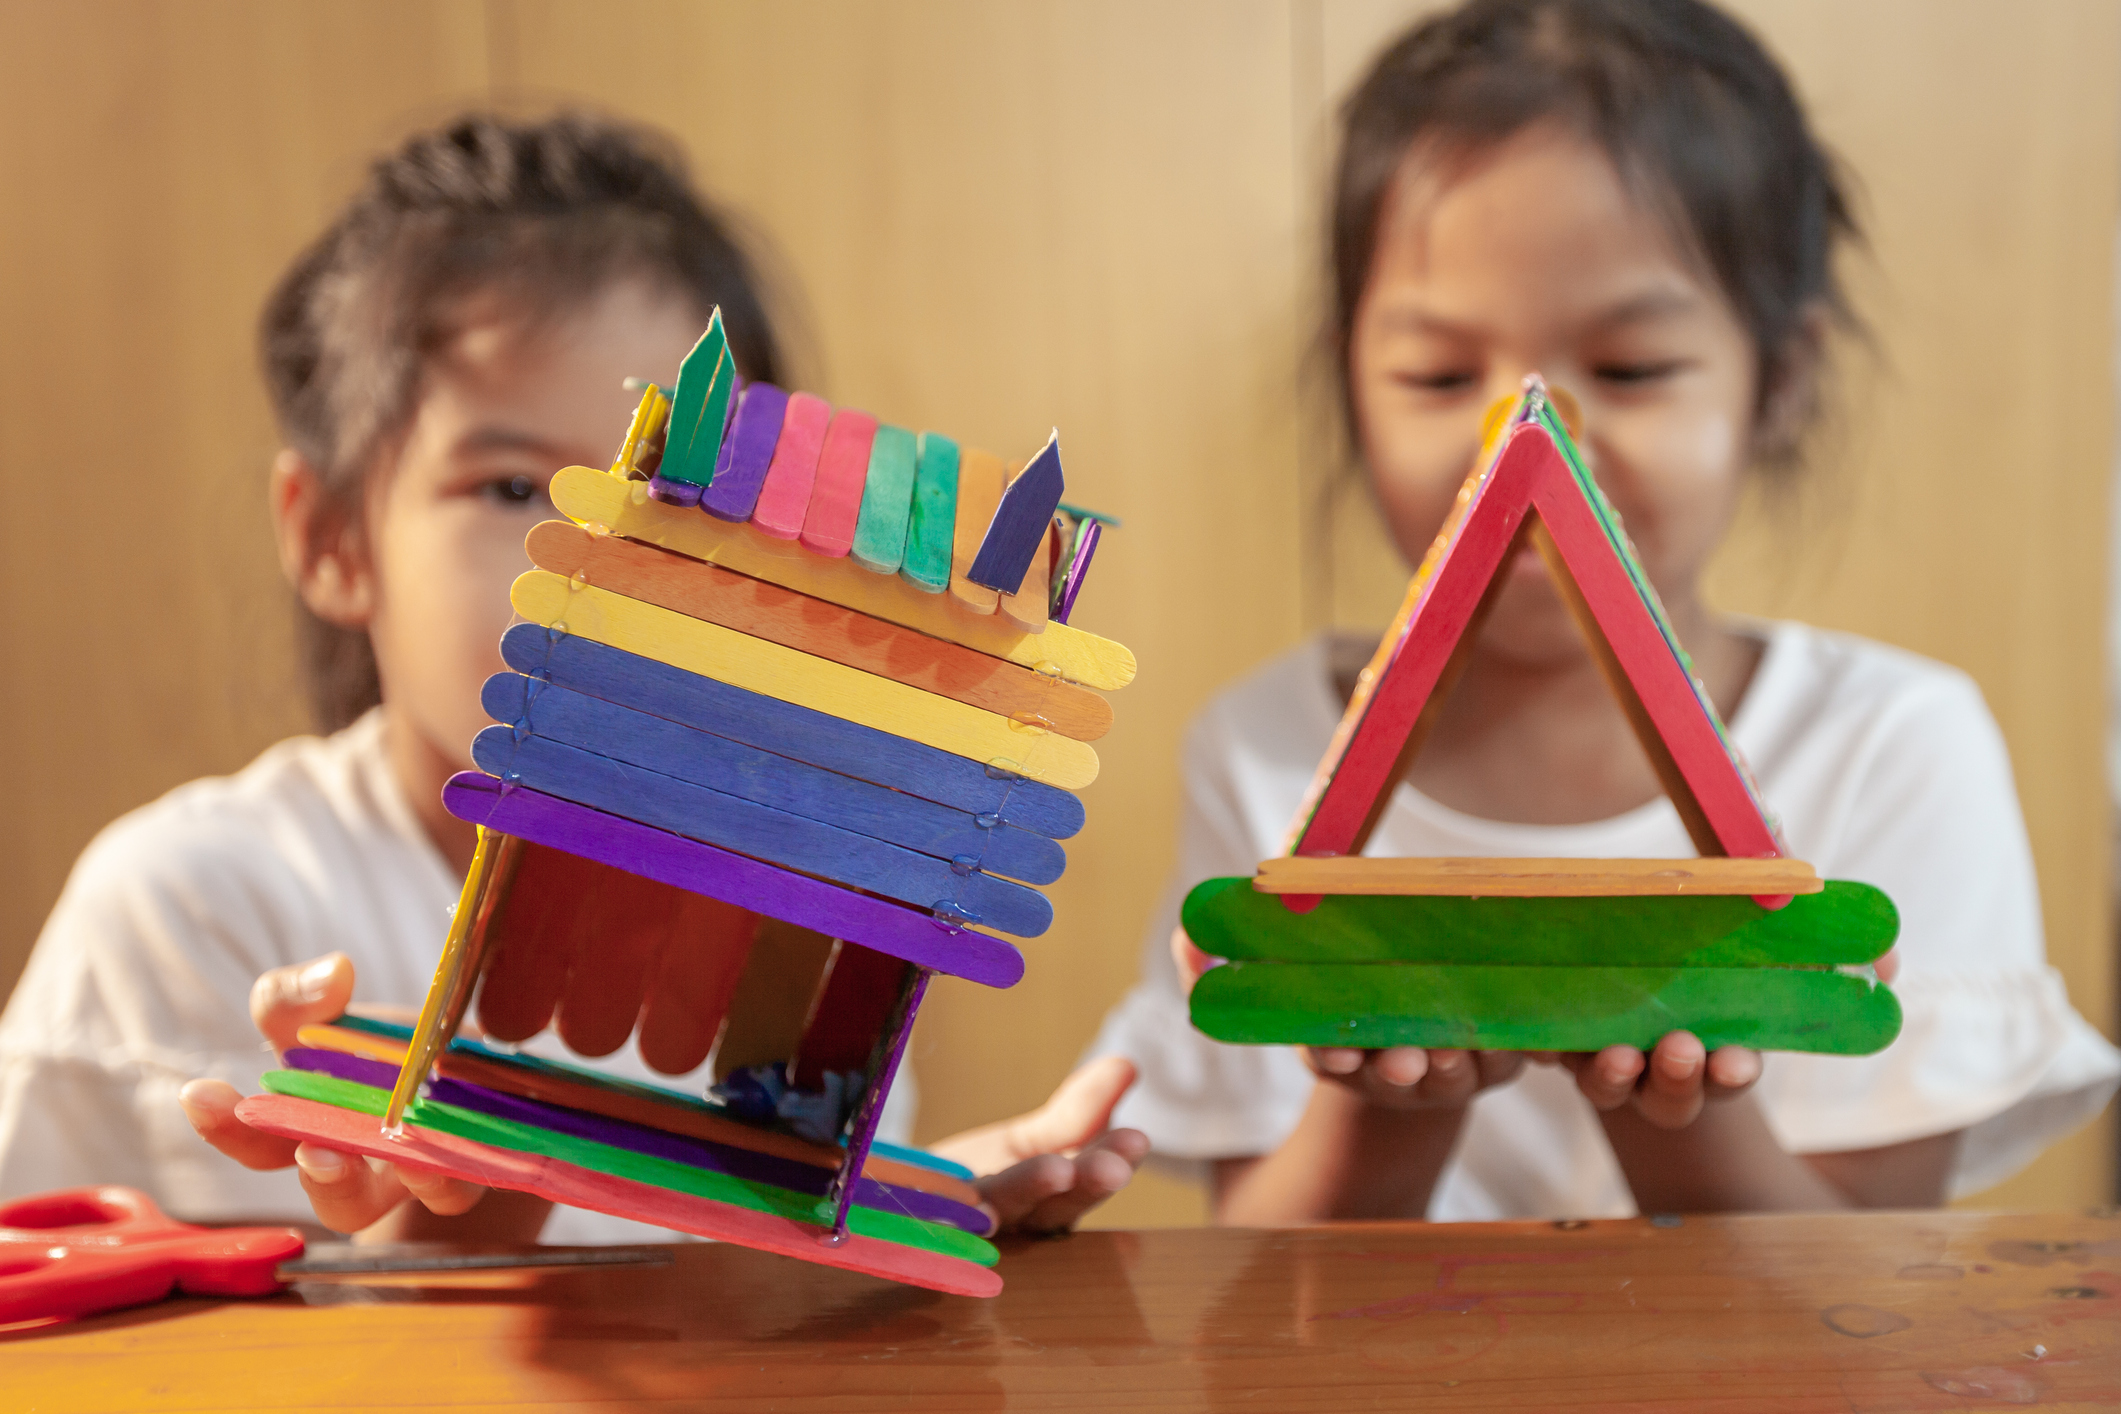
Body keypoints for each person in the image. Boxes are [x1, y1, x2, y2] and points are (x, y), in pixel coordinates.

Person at [0, 112, 1144, 1243]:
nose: (606, 558)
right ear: (331, 541)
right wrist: (430, 1259)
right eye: (511, 489)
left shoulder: (803, 914)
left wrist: (902, 1217)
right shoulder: (188, 905)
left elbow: (743, 1312)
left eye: (678, 496)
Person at [1088, 0, 2120, 1222]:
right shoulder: (1261, 753)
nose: (1530, 436)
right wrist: (1382, 1098)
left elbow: (1866, 1303)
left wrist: (1676, 1104)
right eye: (1436, 374)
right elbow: (1261, 1299)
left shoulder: (1899, 743)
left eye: (1629, 368)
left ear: (1779, 379)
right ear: (1349, 378)